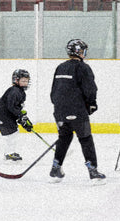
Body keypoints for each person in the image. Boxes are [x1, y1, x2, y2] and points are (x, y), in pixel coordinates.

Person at [49, 39, 105, 183]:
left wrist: (59, 108)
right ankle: (93, 171)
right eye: (83, 51)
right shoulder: (83, 67)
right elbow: (90, 89)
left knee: (64, 138)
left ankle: (56, 168)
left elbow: (53, 91)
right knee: (85, 138)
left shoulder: (60, 67)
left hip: (59, 111)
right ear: (79, 52)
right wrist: (92, 104)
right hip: (77, 111)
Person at [0, 69, 33, 161]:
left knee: (13, 133)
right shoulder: (15, 91)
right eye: (23, 81)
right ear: (16, 80)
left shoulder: (20, 92)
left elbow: (16, 107)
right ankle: (9, 153)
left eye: (27, 81)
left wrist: (23, 118)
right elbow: (11, 107)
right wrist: (20, 116)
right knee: (12, 134)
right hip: (3, 116)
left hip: (6, 116)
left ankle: (9, 152)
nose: (25, 83)